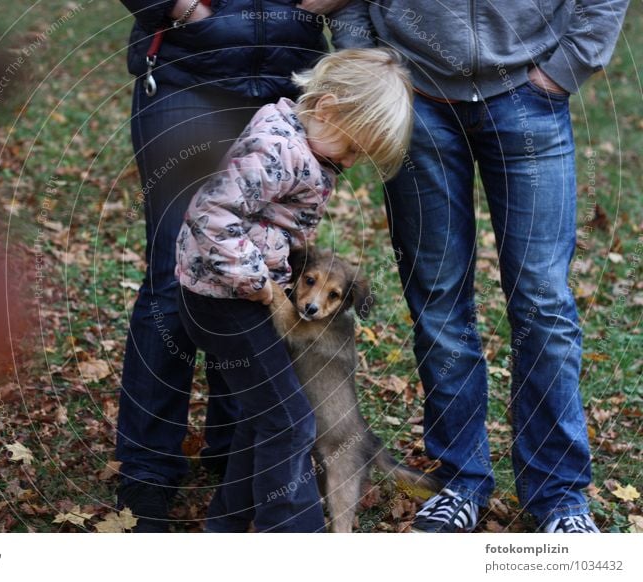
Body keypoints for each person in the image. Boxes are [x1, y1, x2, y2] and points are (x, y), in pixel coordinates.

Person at [330, 0, 630, 532]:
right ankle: (460, 480)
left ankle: (558, 496)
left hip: (531, 95)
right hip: (413, 95)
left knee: (542, 299)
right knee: (438, 299)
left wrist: (565, 68)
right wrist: (368, 61)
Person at [117, 0, 348, 532]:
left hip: (287, 71)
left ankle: (234, 456)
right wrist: (184, 9)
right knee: (173, 277)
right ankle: (148, 471)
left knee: (256, 274)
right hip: (187, 72)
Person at [176, 48, 414, 532]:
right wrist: (262, 284)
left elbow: (267, 215)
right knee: (290, 423)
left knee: (263, 417)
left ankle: (224, 528)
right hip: (224, 299)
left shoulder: (299, 145)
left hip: (229, 293)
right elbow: (210, 213)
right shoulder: (278, 149)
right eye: (351, 149)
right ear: (325, 111)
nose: (348, 162)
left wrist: (288, 251)